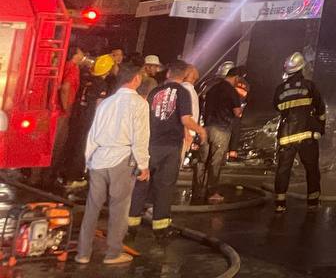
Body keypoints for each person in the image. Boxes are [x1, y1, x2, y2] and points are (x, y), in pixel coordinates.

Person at [76, 62, 150, 266]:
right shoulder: (139, 104)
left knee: (92, 207)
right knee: (119, 207)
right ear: (136, 79)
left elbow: (92, 133)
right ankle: (113, 253)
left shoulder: (106, 102)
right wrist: (143, 164)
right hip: (122, 158)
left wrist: (88, 160)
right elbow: (141, 136)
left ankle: (82, 253)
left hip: (98, 158)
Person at [128, 61, 202, 241]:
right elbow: (185, 119)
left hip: (149, 144)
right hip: (170, 147)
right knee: (165, 186)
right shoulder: (183, 92)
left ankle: (130, 227)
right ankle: (160, 229)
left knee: (141, 184)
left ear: (168, 73)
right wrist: (200, 130)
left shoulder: (155, 91)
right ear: (184, 75)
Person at [272, 52, 325, 213]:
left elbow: (277, 107)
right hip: (308, 135)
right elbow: (320, 109)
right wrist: (320, 127)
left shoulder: (280, 89)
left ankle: (280, 203)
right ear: (302, 68)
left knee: (283, 169)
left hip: (287, 135)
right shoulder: (310, 86)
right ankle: (313, 202)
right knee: (312, 169)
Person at [192, 67, 245, 204]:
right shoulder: (231, 91)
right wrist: (240, 110)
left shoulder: (212, 89)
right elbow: (237, 112)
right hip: (221, 129)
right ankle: (212, 192)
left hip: (206, 129)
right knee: (215, 162)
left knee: (201, 161)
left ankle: (197, 191)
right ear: (236, 78)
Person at [65, 54, 116, 186]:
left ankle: (64, 174)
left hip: (78, 116)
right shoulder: (101, 85)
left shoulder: (87, 80)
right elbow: (99, 105)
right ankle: (74, 177)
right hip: (89, 119)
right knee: (82, 147)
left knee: (72, 143)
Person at [41, 46, 85, 188]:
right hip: (61, 110)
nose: (83, 54)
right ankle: (47, 179)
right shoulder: (73, 68)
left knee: (47, 141)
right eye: (81, 52)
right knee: (57, 145)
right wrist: (66, 107)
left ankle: (37, 176)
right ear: (75, 55)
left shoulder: (62, 65)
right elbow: (66, 88)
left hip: (53, 108)